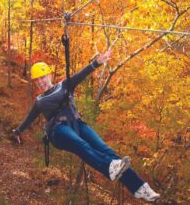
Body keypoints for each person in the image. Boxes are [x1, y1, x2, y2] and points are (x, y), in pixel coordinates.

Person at [12, 49, 160, 202]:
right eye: (37, 80)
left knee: (108, 152)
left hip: (77, 124)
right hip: (58, 132)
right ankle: (109, 167)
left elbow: (81, 74)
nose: (41, 82)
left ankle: (140, 188)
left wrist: (97, 63)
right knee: (80, 144)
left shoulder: (64, 85)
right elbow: (29, 119)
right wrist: (17, 131)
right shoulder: (40, 101)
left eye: (42, 77)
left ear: (49, 75)